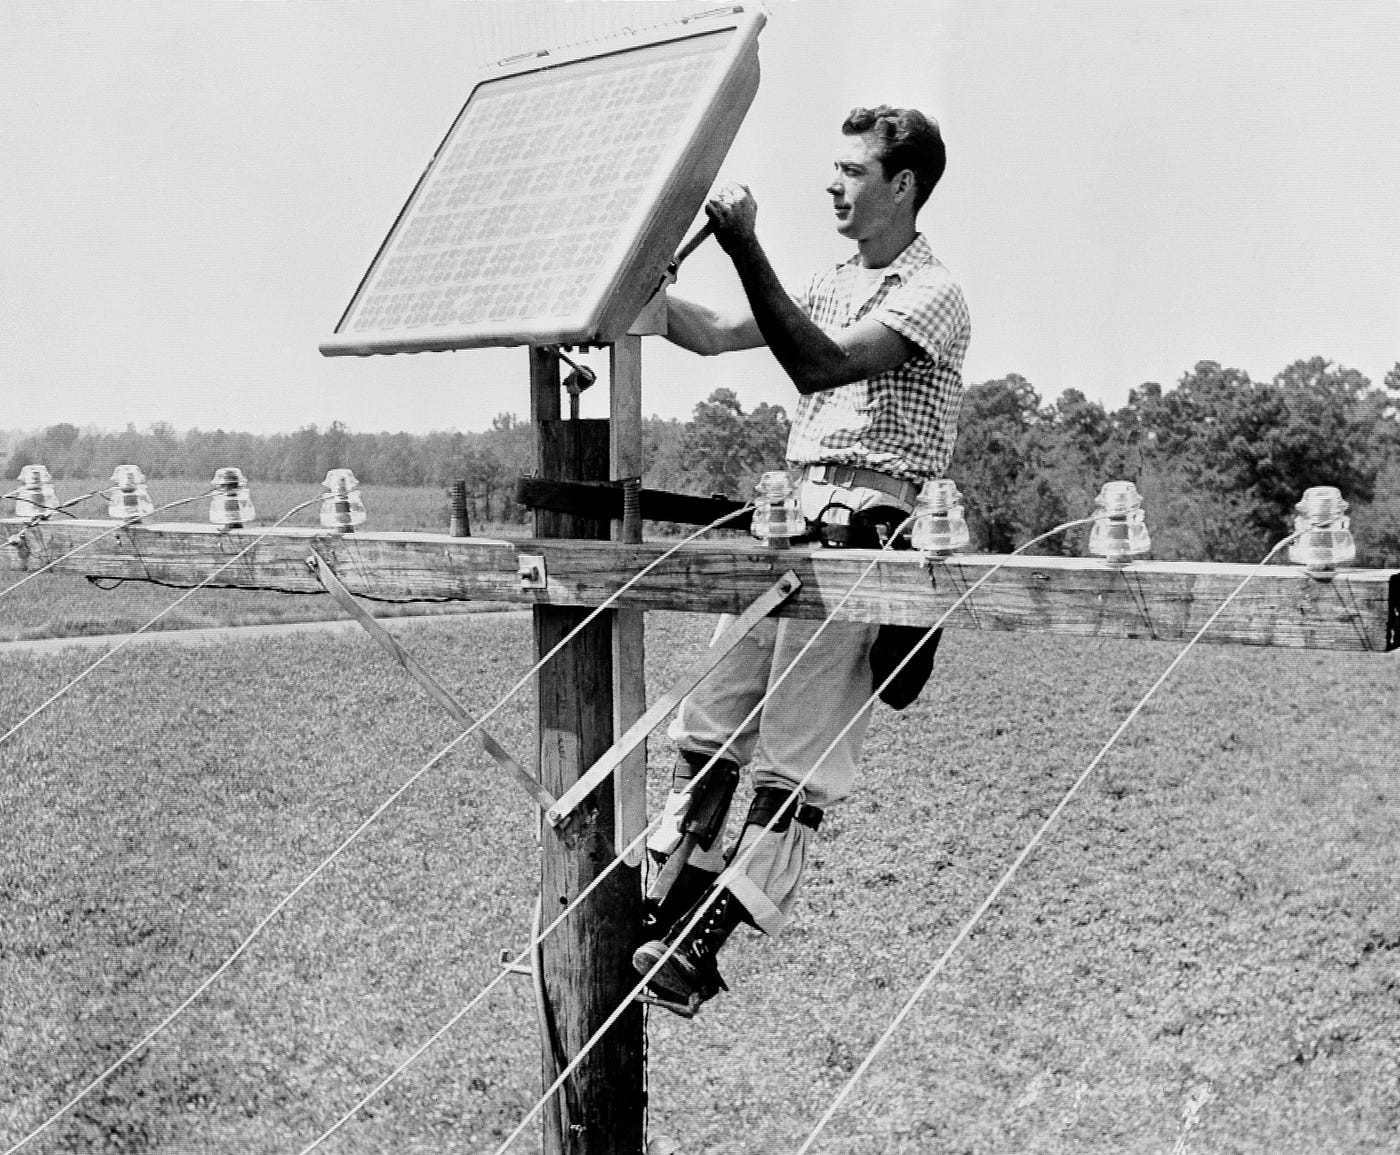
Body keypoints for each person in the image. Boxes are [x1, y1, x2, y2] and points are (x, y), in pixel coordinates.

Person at [633, 105, 971, 1009]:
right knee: (711, 721)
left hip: (865, 528)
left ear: (902, 186)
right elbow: (708, 331)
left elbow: (820, 365)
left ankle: (700, 946)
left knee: (794, 754)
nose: (833, 184)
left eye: (853, 171)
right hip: (788, 517)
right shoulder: (826, 279)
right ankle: (658, 917)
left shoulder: (930, 292)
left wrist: (747, 247)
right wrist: (642, 287)